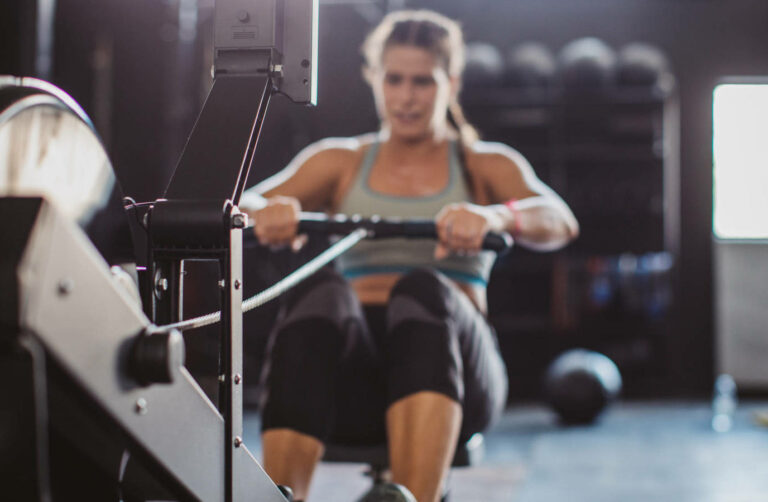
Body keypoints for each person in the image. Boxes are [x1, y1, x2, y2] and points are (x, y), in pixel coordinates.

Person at [241, 9, 578, 502]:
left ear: (451, 82)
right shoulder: (341, 160)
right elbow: (243, 204)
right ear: (373, 77)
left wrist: (497, 218)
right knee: (320, 292)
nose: (405, 96)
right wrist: (269, 214)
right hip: (353, 388)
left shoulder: (482, 163)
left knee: (421, 287)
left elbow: (559, 219)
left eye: (422, 81)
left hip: (456, 378)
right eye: (394, 79)